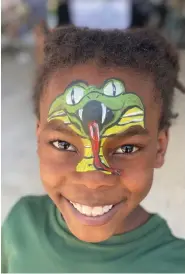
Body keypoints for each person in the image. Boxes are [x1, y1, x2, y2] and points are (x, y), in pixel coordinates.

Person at [1, 26, 185, 273]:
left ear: (159, 148)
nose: (93, 180)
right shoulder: (20, 225)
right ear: (38, 137)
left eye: (127, 148)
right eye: (64, 144)